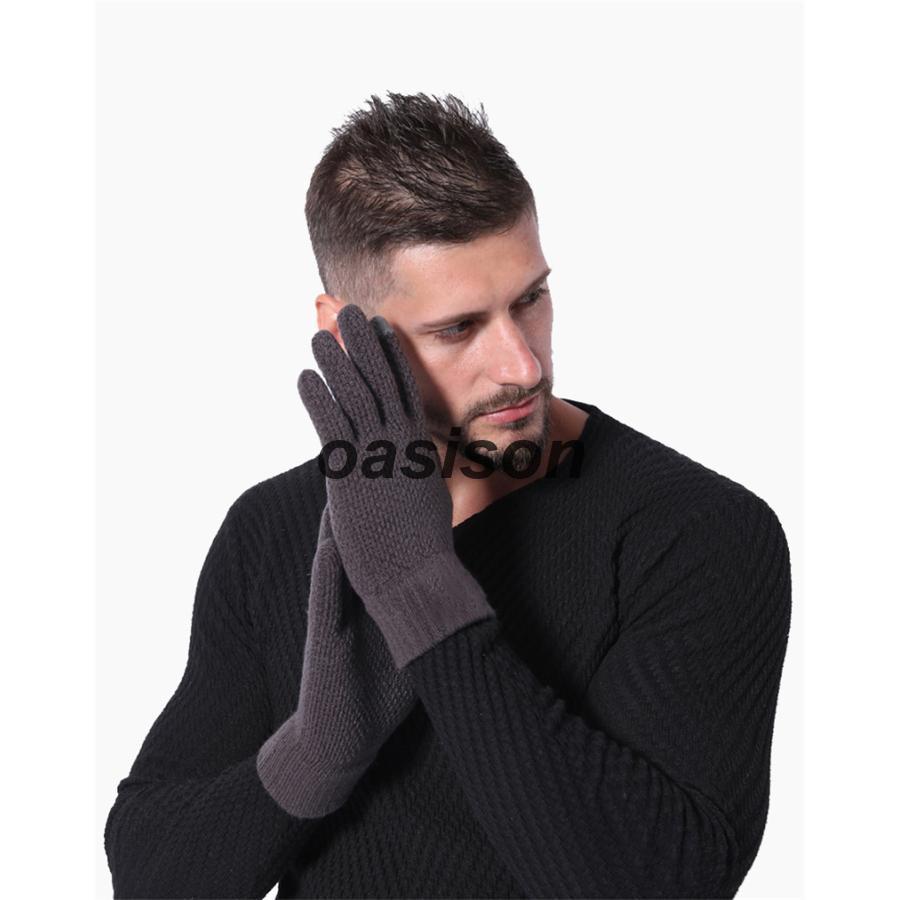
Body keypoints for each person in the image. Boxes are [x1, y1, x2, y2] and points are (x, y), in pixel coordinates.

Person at [104, 92, 792, 899]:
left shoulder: (694, 532)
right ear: (345, 331)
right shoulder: (273, 529)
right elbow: (150, 876)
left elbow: (663, 884)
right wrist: (313, 754)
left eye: (530, 299)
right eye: (458, 328)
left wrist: (421, 598)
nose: (522, 365)